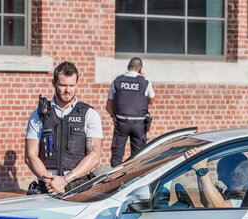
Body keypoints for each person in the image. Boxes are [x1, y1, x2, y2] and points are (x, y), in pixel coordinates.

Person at [24, 61, 102, 194]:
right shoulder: (39, 114)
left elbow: (94, 156)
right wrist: (50, 183)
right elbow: (30, 156)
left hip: (78, 186)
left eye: (72, 85)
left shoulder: (89, 114)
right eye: (63, 85)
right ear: (53, 83)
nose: (67, 90)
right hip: (47, 185)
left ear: (77, 84)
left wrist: (65, 180)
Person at [106, 57, 155, 167]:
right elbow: (152, 101)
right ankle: (135, 178)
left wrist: (114, 116)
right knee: (139, 156)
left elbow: (108, 105)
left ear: (128, 67)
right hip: (139, 124)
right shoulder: (145, 82)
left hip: (121, 123)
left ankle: (114, 179)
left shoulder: (117, 81)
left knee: (117, 155)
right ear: (140, 68)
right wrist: (143, 78)